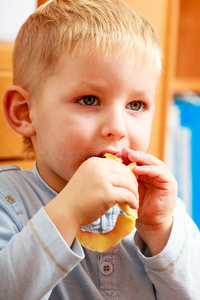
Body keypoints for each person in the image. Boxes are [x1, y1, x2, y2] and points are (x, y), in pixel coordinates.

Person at [0, 0, 200, 299]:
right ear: (26, 112)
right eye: (89, 100)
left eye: (136, 105)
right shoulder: (9, 199)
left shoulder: (159, 210)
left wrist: (160, 229)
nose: (118, 128)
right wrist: (66, 212)